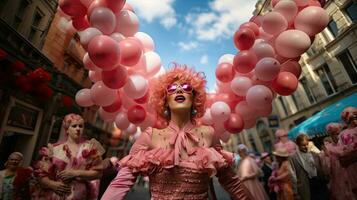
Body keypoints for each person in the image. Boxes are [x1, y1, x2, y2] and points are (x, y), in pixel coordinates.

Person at [101, 65, 252, 200]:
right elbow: (121, 184)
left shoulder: (209, 134)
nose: (179, 90)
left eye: (186, 88)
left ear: (194, 98)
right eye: (172, 89)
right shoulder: (149, 136)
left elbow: (232, 182)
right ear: (165, 100)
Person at [32, 113, 105, 200]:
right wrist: (52, 184)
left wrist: (75, 173)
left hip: (79, 196)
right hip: (55, 195)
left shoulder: (90, 148)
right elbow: (41, 175)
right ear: (67, 129)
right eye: (74, 126)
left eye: (80, 126)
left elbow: (98, 173)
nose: (78, 129)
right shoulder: (54, 149)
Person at [327, 107, 357, 199]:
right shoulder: (343, 135)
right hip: (352, 171)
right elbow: (343, 159)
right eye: (352, 119)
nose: (355, 121)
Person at [289, 134, 329, 200]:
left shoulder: (313, 153)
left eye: (307, 144)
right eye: (303, 145)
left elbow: (321, 166)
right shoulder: (293, 157)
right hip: (306, 185)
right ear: (298, 145)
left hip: (319, 181)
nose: (306, 146)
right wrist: (295, 192)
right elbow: (293, 174)